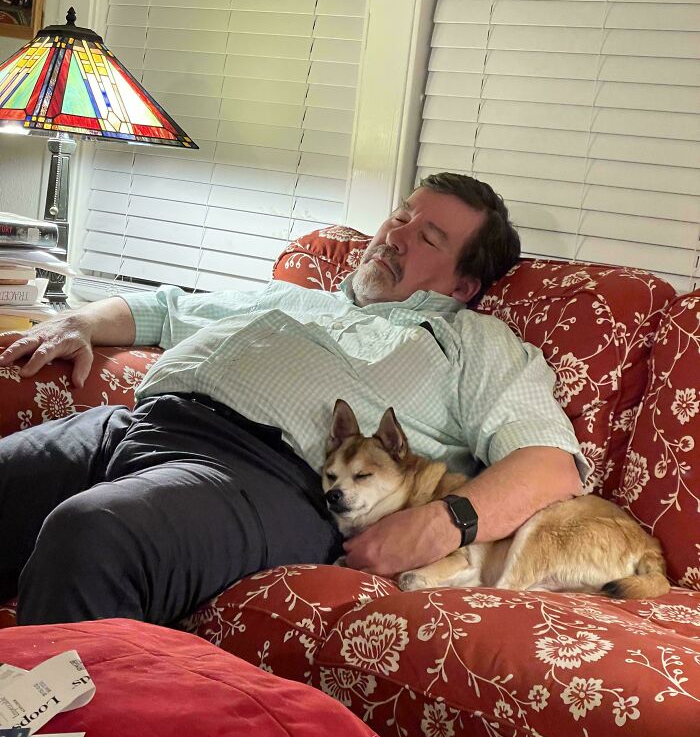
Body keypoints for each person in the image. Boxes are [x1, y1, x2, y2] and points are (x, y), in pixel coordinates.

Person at [0, 173, 587, 627]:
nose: (395, 237)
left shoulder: (471, 342)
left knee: (94, 535)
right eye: (401, 217)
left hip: (263, 479)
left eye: (427, 237)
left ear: (462, 286)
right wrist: (77, 322)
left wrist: (442, 524)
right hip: (133, 426)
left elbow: (550, 465)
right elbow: (162, 310)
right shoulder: (302, 297)